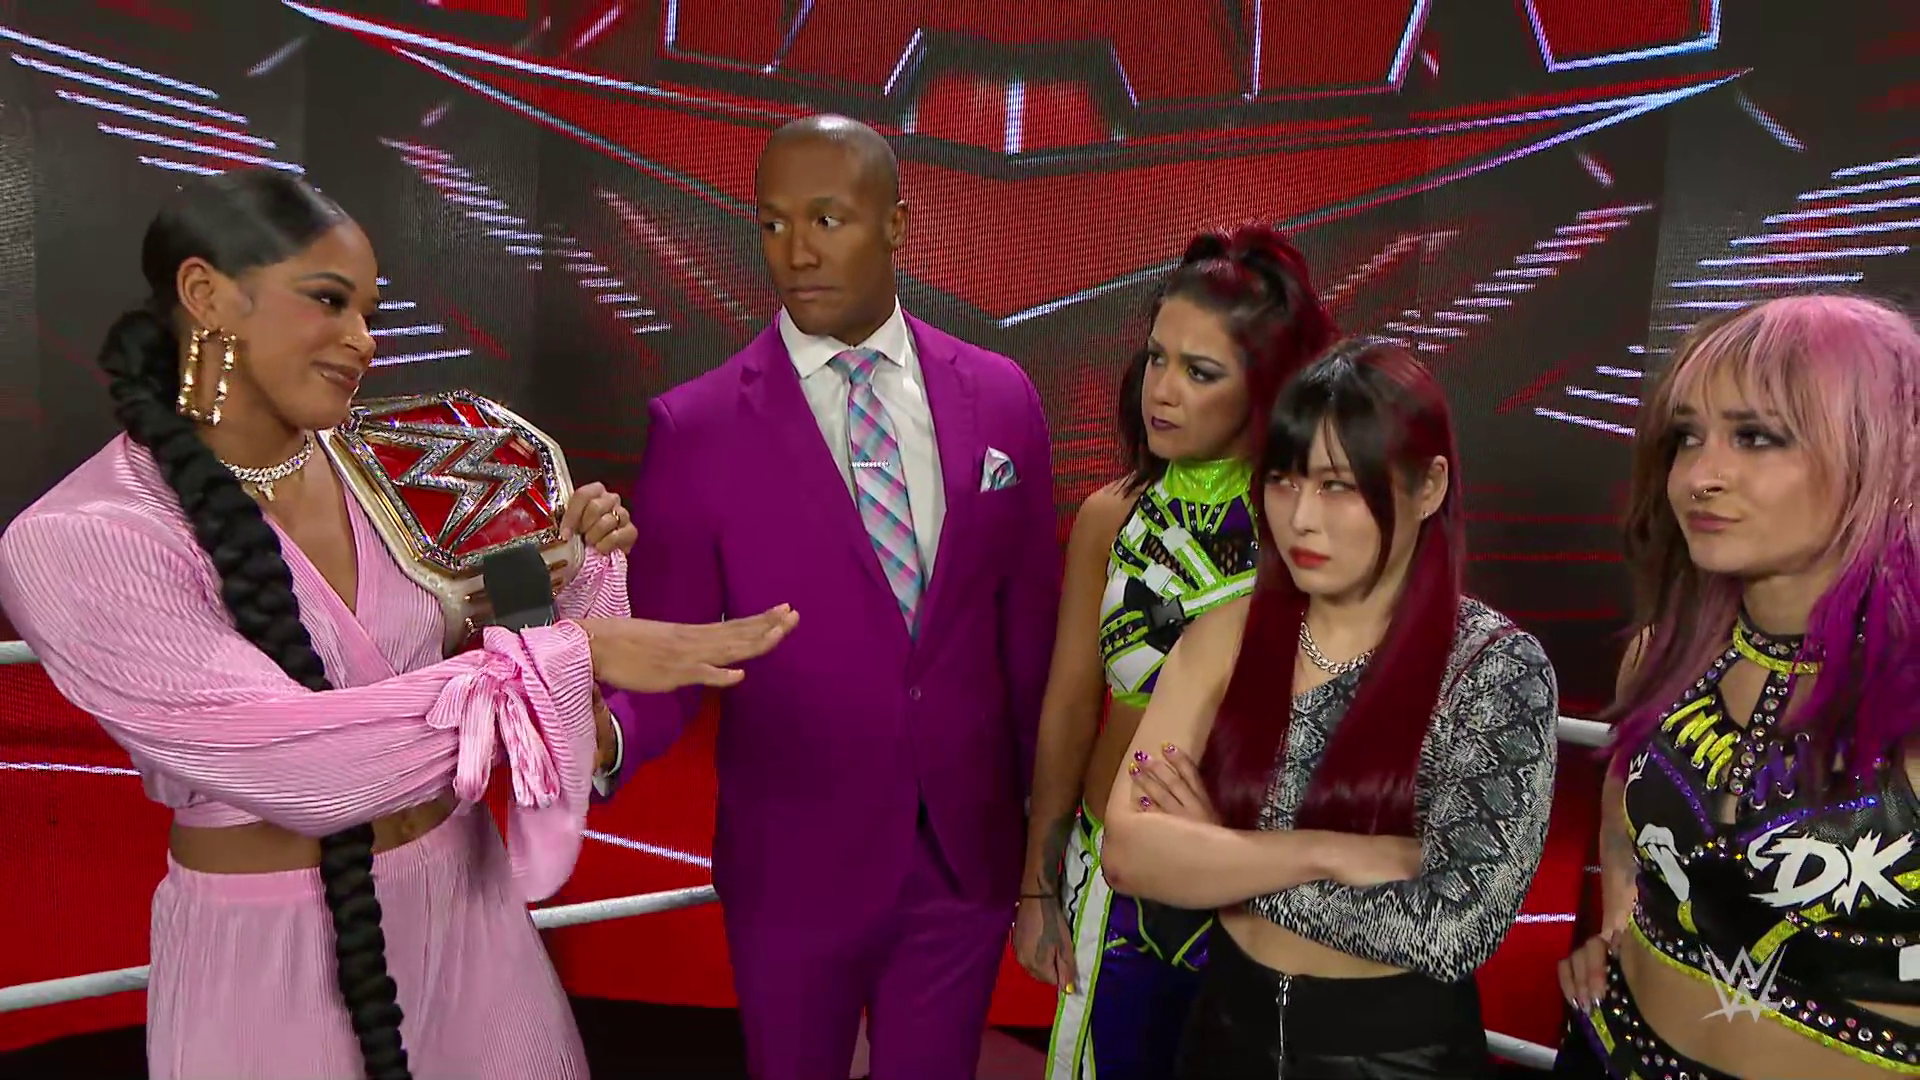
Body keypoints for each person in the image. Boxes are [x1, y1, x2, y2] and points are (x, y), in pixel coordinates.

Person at [0, 171, 797, 1080]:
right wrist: (564, 657)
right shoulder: (85, 538)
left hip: (473, 911)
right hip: (269, 957)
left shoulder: (428, 460)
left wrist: (581, 570)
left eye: (370, 313)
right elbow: (303, 770)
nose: (364, 340)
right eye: (328, 300)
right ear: (206, 294)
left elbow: (564, 705)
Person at [600, 115, 1061, 1080]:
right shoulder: (696, 428)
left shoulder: (1002, 397)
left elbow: (1028, 641)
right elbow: (666, 658)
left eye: (825, 219)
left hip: (962, 862)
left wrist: (1043, 849)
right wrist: (592, 741)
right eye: (771, 225)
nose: (796, 253)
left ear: (896, 224)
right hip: (792, 872)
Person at [1099, 339, 1561, 1078]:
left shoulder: (1494, 668)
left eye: (1338, 486)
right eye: (1282, 481)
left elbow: (1452, 929)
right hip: (1224, 1033)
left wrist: (1217, 854)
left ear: (1429, 485)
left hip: (1396, 1057)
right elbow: (1128, 853)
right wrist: (1326, 851)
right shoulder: (1224, 636)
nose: (1301, 518)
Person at [1553, 295, 1920, 1080]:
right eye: (1688, 438)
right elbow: (1621, 814)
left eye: (1756, 437)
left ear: (1888, 454)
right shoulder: (1662, 658)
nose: (1701, 477)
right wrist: (1621, 927)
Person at [1014, 225, 1336, 1080]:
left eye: (1200, 372)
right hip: (1109, 884)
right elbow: (1070, 708)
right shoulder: (1108, 519)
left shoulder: (1307, 541)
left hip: (1248, 903)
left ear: (1265, 388)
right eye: (1157, 358)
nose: (1161, 390)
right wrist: (1038, 884)